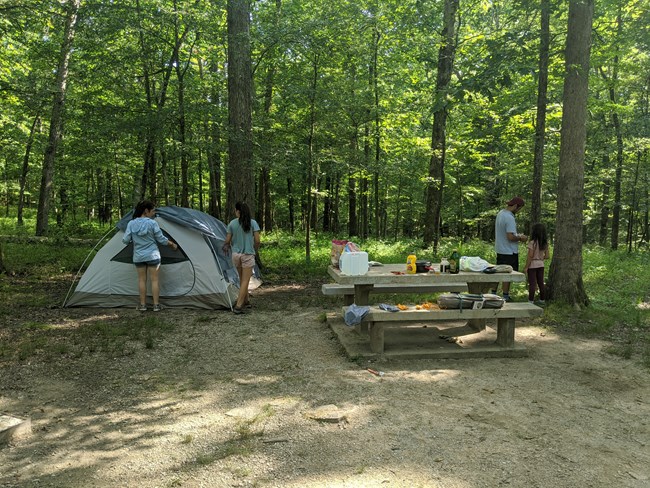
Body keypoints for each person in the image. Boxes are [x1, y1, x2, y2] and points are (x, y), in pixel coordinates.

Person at [122, 200, 178, 311]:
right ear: (146, 211)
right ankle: (156, 305)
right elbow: (161, 240)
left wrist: (135, 239)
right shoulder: (152, 223)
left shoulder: (131, 223)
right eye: (153, 211)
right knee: (154, 280)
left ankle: (142, 305)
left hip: (138, 256)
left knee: (141, 280)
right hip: (153, 256)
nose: (154, 213)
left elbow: (125, 240)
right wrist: (172, 244)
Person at [222, 201, 261, 314]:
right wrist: (254, 249)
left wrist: (227, 245)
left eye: (235, 209)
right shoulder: (252, 223)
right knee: (245, 280)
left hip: (235, 255)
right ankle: (239, 305)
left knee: (241, 279)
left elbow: (227, 241)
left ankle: (246, 300)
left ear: (238, 211)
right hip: (247, 255)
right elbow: (258, 240)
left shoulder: (232, 224)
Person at [494, 196, 528, 301]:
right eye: (519, 208)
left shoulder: (500, 213)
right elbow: (510, 237)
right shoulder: (509, 217)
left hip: (500, 249)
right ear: (516, 206)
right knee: (508, 274)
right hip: (509, 251)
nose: (519, 211)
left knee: (498, 272)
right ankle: (505, 296)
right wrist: (521, 238)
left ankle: (493, 293)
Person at [524, 223, 550, 305]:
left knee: (532, 283)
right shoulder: (544, 243)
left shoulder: (532, 243)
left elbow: (530, 256)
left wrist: (526, 267)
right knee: (540, 282)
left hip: (532, 265)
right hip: (541, 265)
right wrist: (541, 258)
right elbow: (547, 256)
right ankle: (542, 299)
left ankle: (530, 300)